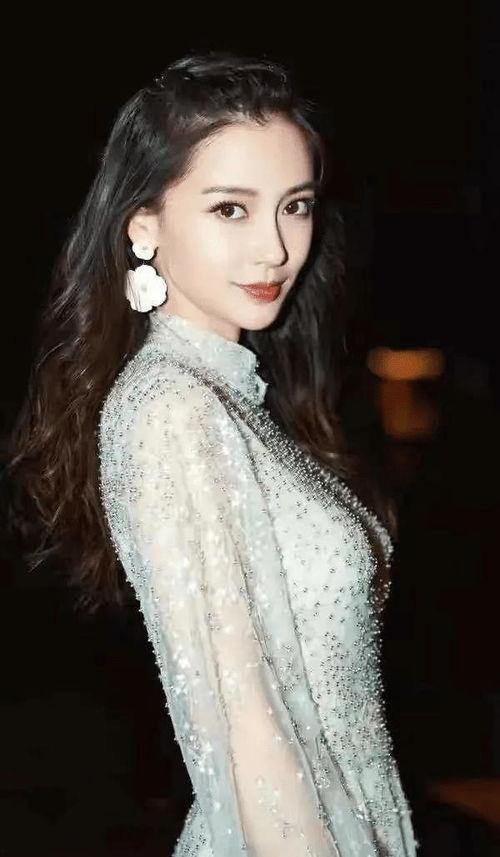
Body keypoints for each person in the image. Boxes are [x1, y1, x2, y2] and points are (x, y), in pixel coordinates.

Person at [5, 51, 418, 856]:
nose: (275, 249)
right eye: (231, 209)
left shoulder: (233, 399)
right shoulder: (172, 409)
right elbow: (245, 726)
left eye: (295, 206)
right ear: (143, 225)